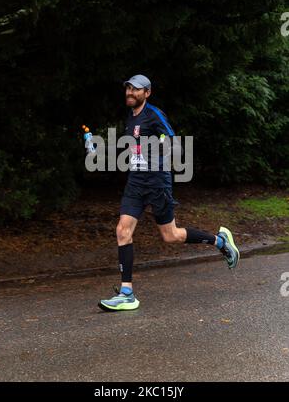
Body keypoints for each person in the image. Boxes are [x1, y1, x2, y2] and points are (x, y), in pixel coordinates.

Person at [98, 74, 240, 312]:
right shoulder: (130, 119)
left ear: (147, 93)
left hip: (156, 182)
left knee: (170, 235)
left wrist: (158, 150)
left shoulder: (154, 114)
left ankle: (220, 241)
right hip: (135, 182)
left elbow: (171, 139)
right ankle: (127, 293)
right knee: (122, 230)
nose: (130, 93)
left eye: (136, 90)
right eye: (128, 89)